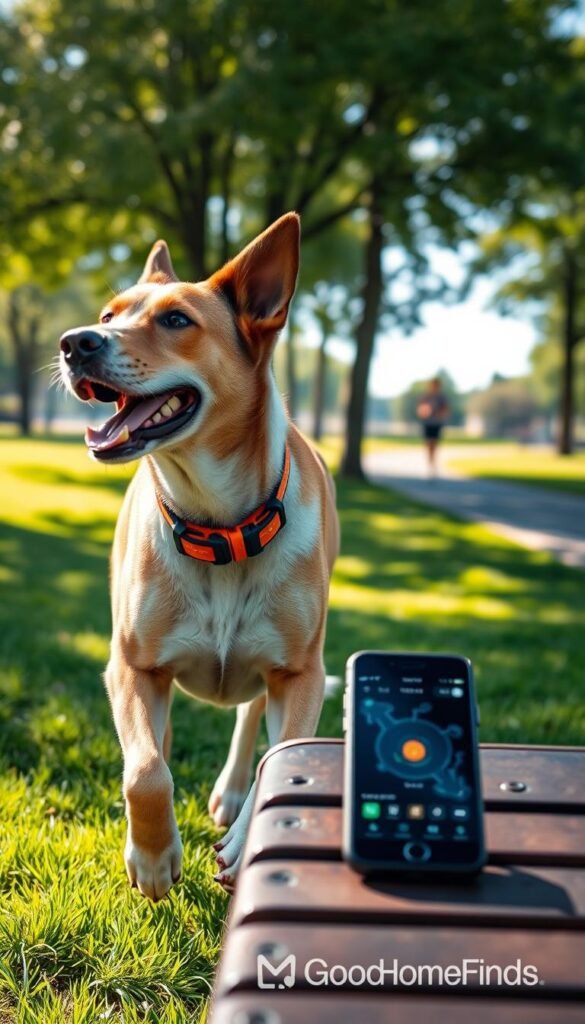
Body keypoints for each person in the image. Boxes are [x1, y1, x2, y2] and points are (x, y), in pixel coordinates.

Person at [416, 377, 450, 478]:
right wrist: (425, 412)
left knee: (434, 444)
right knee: (428, 444)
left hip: (437, 424)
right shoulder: (426, 397)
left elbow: (446, 410)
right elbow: (420, 410)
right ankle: (430, 465)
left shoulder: (441, 398)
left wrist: (440, 414)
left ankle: (433, 465)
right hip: (427, 423)